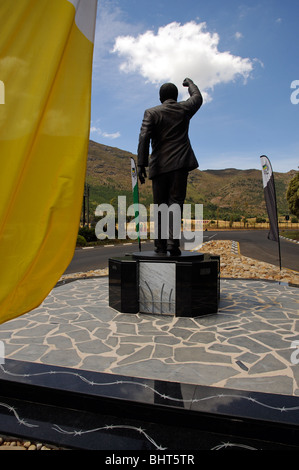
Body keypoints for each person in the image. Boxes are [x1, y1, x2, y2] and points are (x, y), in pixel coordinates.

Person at [137, 77, 203, 255]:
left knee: (160, 207)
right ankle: (173, 244)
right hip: (180, 165)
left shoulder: (151, 113)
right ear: (175, 95)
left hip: (159, 167)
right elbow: (197, 97)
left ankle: (159, 245)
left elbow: (144, 137)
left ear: (160, 98)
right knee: (175, 205)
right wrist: (190, 84)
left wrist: (141, 164)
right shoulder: (184, 109)